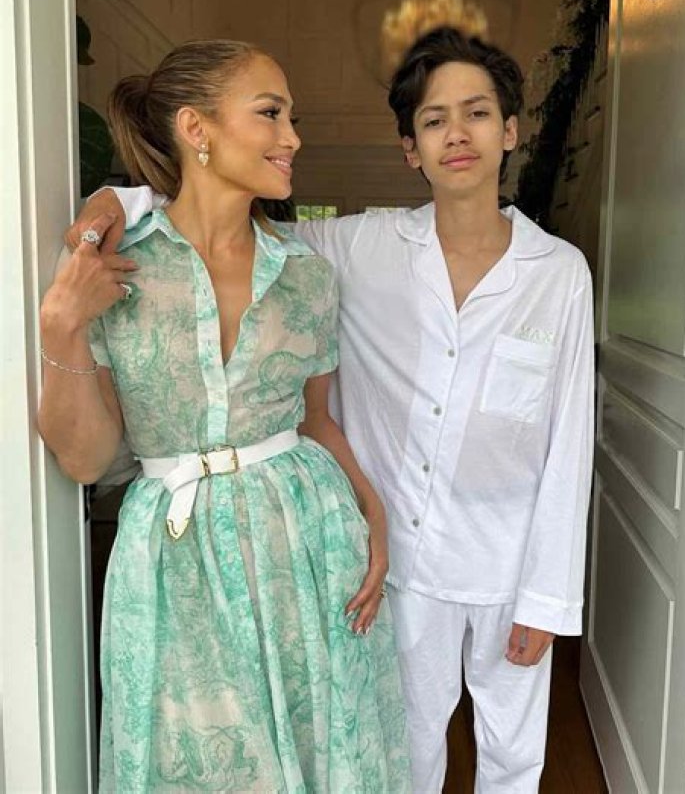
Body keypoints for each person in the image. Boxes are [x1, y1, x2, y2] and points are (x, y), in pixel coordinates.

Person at [71, 26, 594, 793]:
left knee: (514, 754)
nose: (457, 134)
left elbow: (570, 442)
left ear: (510, 131)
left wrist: (549, 596)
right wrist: (122, 198)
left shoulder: (560, 272)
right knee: (405, 747)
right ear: (409, 148)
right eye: (434, 119)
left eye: (478, 113)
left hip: (508, 563)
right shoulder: (358, 247)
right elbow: (223, 219)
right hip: (402, 562)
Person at [39, 39, 411, 792]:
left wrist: (373, 512)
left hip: (307, 544)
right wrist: (61, 328)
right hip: (173, 560)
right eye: (270, 113)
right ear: (195, 127)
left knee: (318, 748)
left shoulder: (305, 273)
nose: (292, 137)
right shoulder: (117, 265)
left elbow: (316, 421)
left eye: (292, 118)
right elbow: (86, 460)